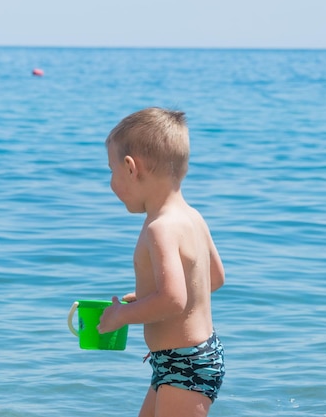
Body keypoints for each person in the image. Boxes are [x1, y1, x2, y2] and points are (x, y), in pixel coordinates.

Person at [97, 107, 226, 417]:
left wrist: (123, 316)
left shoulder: (160, 228)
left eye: (111, 171)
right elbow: (215, 278)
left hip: (185, 363)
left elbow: (173, 299)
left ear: (131, 167)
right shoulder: (191, 216)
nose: (111, 182)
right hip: (183, 359)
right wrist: (147, 298)